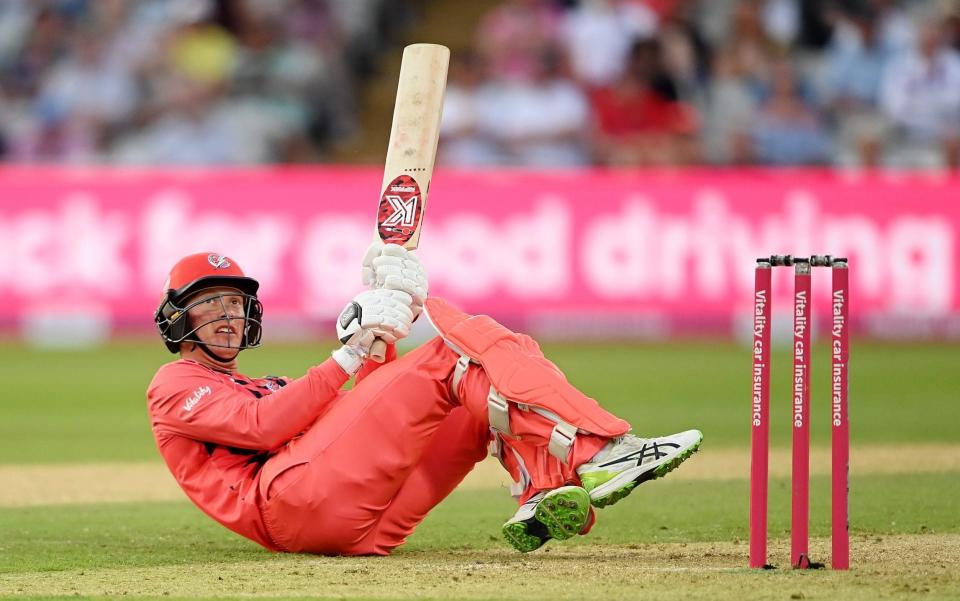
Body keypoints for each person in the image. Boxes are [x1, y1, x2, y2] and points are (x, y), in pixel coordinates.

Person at [146, 245, 702, 556]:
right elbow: (264, 428)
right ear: (179, 319)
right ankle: (600, 451)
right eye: (210, 304)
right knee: (455, 353)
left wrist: (395, 320)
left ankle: (543, 493)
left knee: (485, 380)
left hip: (364, 525)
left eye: (235, 304)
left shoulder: (264, 381)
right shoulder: (173, 383)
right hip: (288, 506)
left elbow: (366, 423)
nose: (227, 316)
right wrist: (352, 350)